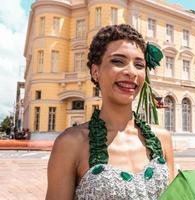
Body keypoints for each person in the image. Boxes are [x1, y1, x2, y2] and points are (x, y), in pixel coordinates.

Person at [46, 24, 174, 200]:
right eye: (118, 61)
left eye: (139, 64)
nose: (131, 72)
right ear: (95, 71)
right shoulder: (70, 143)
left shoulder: (162, 138)